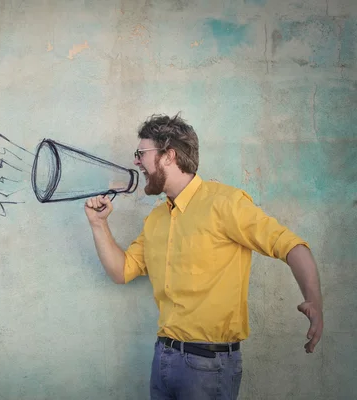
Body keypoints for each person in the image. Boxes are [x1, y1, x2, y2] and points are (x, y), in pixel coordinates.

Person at [84, 113, 323, 400]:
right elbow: (121, 271)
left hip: (209, 366)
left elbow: (291, 245)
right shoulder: (156, 219)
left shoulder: (225, 203)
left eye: (141, 153)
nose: (136, 162)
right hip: (163, 359)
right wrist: (98, 224)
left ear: (169, 155)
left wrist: (314, 300)